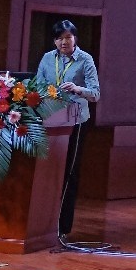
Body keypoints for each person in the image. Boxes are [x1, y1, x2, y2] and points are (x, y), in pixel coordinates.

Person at [34, 19, 100, 238]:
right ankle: (43, 223)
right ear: (54, 41)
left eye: (68, 37)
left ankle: (63, 227)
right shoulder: (47, 58)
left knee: (69, 172)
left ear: (75, 38)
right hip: (51, 119)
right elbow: (36, 86)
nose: (64, 42)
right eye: (59, 38)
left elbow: (95, 94)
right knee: (48, 171)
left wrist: (77, 89)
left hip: (76, 120)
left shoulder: (85, 59)